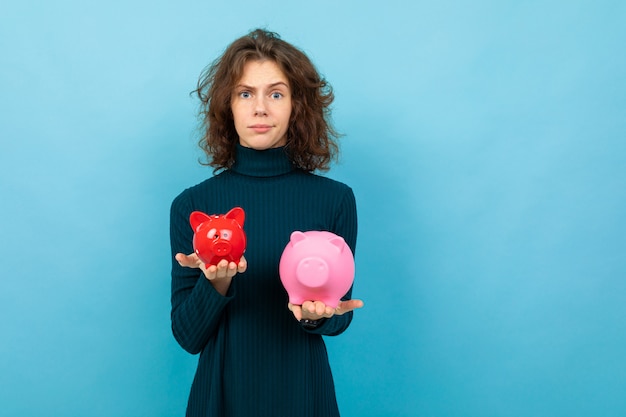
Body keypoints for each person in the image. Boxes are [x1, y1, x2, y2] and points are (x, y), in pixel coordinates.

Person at [169, 28, 363, 417]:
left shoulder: (334, 200)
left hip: (303, 394)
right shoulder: (193, 205)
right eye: (245, 93)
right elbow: (189, 338)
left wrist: (316, 316)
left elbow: (339, 317)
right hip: (221, 397)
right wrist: (216, 281)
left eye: (275, 93)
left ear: (297, 106)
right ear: (228, 105)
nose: (260, 108)